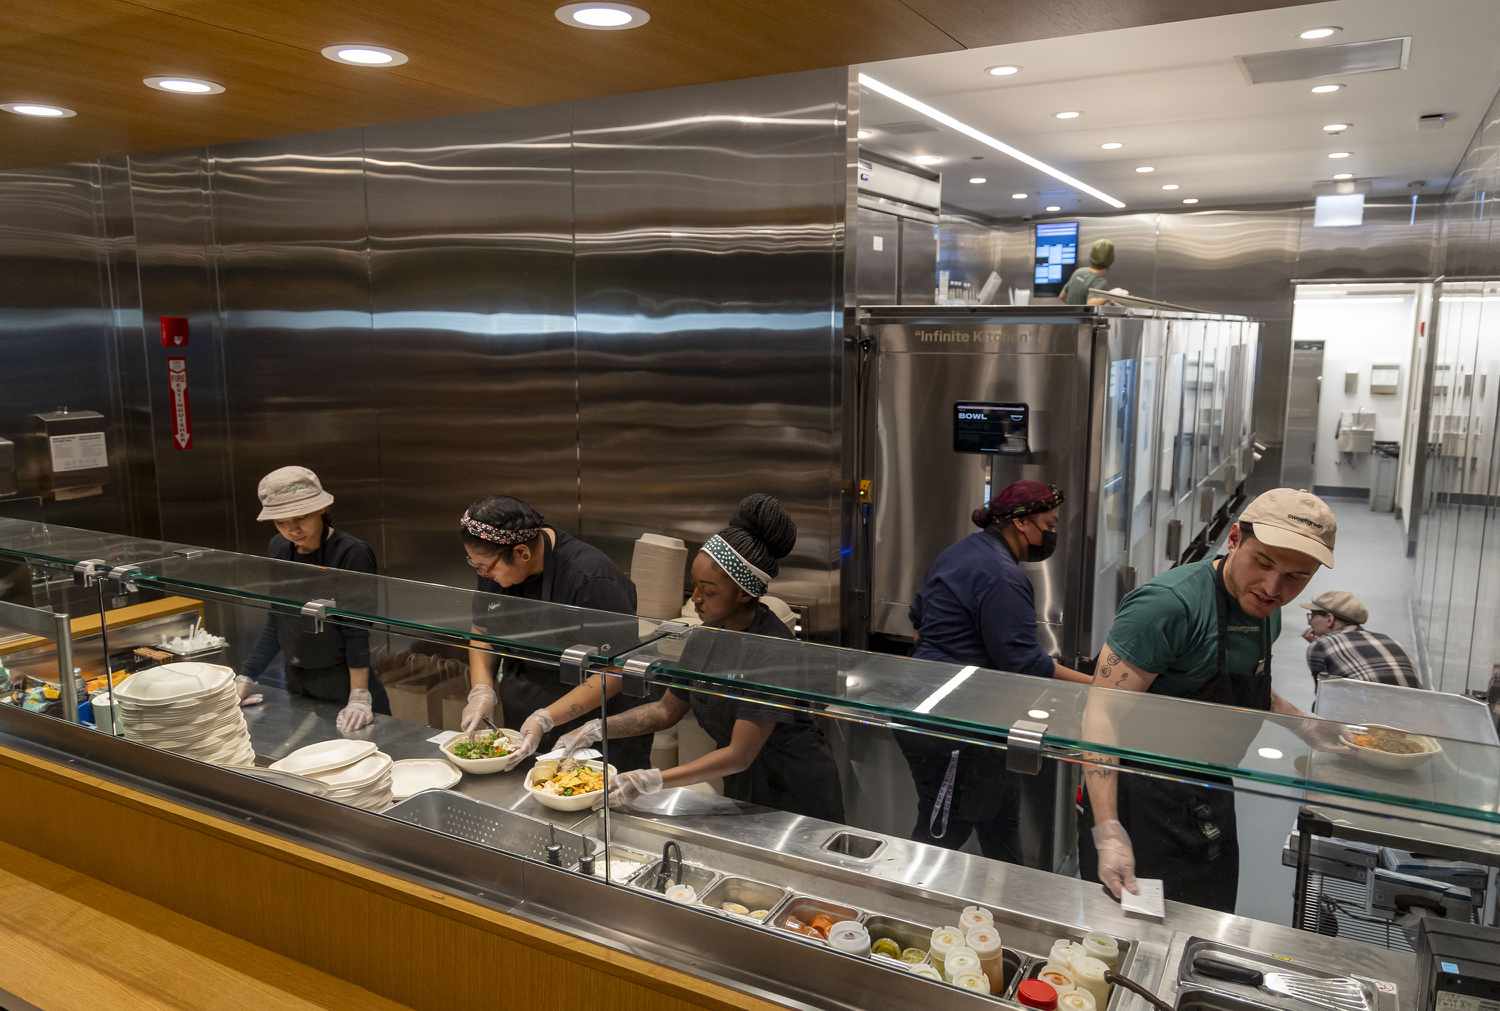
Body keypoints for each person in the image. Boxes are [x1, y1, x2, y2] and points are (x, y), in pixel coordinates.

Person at [1080, 488, 1342, 913]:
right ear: (1234, 538)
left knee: (1205, 921)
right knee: (1137, 937)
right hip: (1143, 801)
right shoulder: (1169, 606)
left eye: (1297, 577)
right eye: (1264, 563)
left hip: (1210, 789)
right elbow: (1100, 713)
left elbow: (1243, 684)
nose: (1274, 588)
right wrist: (1108, 830)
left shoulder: (1262, 608)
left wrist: (1307, 726)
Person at [556, 495, 845, 821]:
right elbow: (666, 710)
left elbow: (740, 754)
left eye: (709, 592)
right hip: (742, 784)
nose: (695, 600)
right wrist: (596, 728)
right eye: (694, 587)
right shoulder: (705, 636)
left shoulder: (772, 650)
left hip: (797, 793)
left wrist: (654, 779)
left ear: (744, 593)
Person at [898, 481, 1091, 864]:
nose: (1052, 533)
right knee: (941, 831)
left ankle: (1007, 905)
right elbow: (1025, 663)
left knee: (1000, 822)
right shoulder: (1003, 576)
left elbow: (918, 619)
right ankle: (901, 904)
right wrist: (1100, 687)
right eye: (1049, 524)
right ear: (1021, 523)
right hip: (951, 727)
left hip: (951, 713)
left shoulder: (960, 552)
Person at [458, 496, 651, 772]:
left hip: (593, 727)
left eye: (485, 567)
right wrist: (481, 690)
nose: (482, 574)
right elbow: (481, 632)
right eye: (474, 565)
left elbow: (616, 670)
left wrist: (546, 718)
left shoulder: (591, 578)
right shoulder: (492, 564)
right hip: (526, 713)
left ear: (522, 553)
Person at [239, 466, 389, 734]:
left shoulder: (351, 553)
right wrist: (247, 676)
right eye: (281, 522)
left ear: (322, 509)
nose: (292, 530)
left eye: (302, 517)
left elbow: (356, 631)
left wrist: (358, 697)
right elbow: (277, 619)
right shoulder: (278, 548)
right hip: (297, 681)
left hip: (343, 680)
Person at [1301, 590, 1424, 689]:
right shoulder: (1388, 640)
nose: (1310, 622)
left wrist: (1316, 647)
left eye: (1312, 615)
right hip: (1416, 715)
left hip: (1367, 717)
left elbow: (1322, 701)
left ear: (1329, 619)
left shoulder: (1320, 646)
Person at [1061, 239, 1116, 305]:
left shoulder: (1078, 272)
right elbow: (1090, 305)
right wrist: (1110, 296)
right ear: (1111, 259)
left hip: (1070, 314)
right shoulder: (1100, 282)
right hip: (1083, 315)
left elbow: (1062, 296)